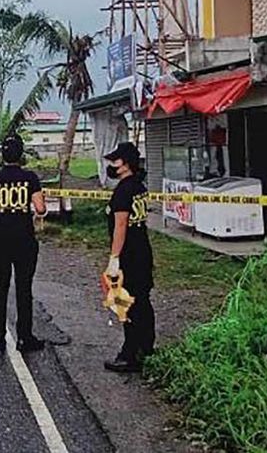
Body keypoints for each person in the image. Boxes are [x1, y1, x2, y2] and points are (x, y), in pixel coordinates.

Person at [0, 135, 47, 354]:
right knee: (23, 288)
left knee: (0, 287)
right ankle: (24, 337)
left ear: (2, 155)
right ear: (22, 155)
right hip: (24, 238)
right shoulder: (30, 177)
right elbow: (41, 208)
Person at [102, 142, 156, 373]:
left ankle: (129, 354)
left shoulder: (123, 190)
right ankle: (146, 347)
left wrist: (114, 259)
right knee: (143, 301)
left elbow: (120, 225)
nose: (112, 165)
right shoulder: (139, 186)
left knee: (125, 302)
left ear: (125, 164)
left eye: (115, 161)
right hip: (143, 250)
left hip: (129, 255)